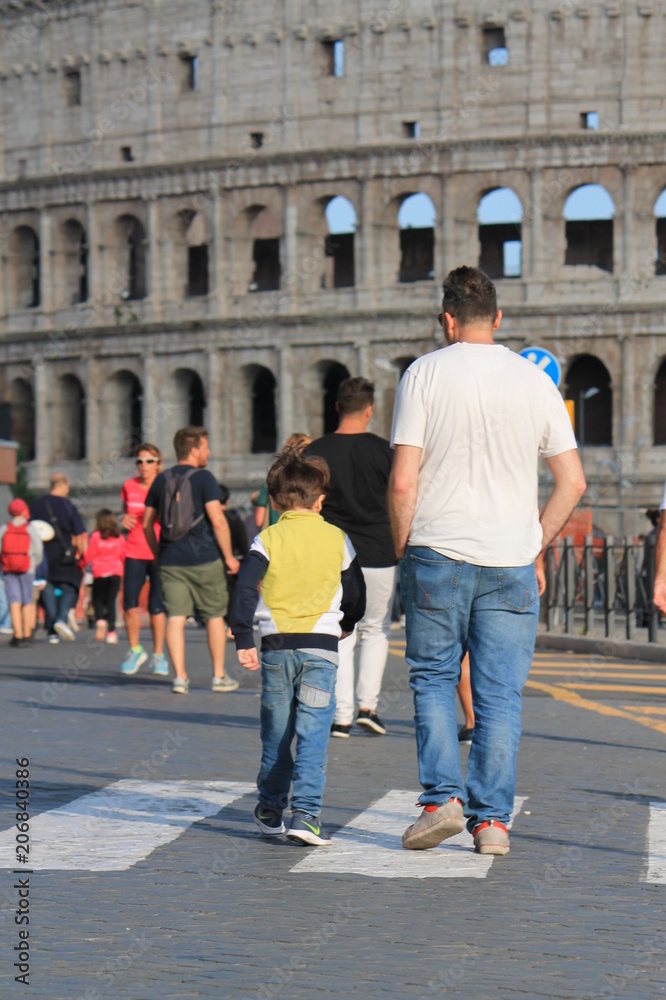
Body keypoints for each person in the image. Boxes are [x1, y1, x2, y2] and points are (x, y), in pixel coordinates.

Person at [389, 265, 586, 857]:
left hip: (437, 549)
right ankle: (493, 823)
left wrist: (403, 547)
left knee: (433, 676)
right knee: (500, 693)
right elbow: (572, 482)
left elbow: (402, 483)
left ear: (446, 320)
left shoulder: (422, 374)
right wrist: (534, 543)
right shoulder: (534, 381)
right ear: (498, 319)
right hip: (510, 558)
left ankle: (441, 800)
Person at [231, 451, 366, 845]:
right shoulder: (337, 538)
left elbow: (244, 589)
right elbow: (356, 593)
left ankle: (270, 807)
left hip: (275, 646)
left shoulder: (267, 538)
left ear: (273, 502)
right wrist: (346, 623)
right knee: (313, 733)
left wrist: (243, 637)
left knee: (276, 732)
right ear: (320, 499)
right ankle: (305, 815)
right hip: (321, 648)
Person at [307, 378, 396, 737]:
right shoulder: (385, 451)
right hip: (378, 550)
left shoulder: (315, 452)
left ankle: (340, 716)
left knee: (340, 631)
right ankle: (368, 707)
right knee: (376, 629)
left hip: (331, 554)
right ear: (370, 410)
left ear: (337, 407)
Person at [143, 426, 241, 694]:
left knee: (175, 616)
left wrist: (156, 552)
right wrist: (230, 557)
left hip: (171, 559)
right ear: (195, 450)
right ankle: (219, 676)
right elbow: (219, 521)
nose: (208, 452)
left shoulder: (160, 480)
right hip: (205, 559)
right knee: (213, 616)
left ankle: (180, 677)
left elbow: (146, 524)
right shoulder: (204, 478)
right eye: (206, 447)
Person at [120, 443, 169, 677]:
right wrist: (124, 518)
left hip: (159, 550)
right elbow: (126, 511)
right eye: (139, 461)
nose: (144, 466)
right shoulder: (129, 486)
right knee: (130, 603)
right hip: (134, 550)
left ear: (158, 463)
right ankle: (135, 650)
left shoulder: (166, 485)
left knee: (156, 606)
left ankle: (159, 655)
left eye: (149, 461)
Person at [30, 474, 87, 643]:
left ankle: (51, 631)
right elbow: (78, 533)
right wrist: (82, 554)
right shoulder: (68, 505)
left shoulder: (38, 504)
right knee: (70, 586)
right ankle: (61, 619)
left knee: (47, 587)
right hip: (64, 553)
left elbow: (31, 528)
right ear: (63, 486)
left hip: (43, 553)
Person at [0, 499, 43, 647]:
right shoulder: (29, 529)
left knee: (14, 600)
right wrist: (34, 563)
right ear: (25, 511)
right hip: (27, 567)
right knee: (27, 599)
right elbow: (38, 549)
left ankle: (17, 634)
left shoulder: (4, 528)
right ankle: (27, 633)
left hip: (8, 568)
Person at [84, 509, 127, 644]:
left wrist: (81, 564)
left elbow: (89, 554)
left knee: (97, 599)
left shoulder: (96, 536)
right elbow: (123, 555)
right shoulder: (119, 537)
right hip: (115, 572)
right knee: (111, 601)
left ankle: (100, 621)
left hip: (99, 572)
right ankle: (111, 632)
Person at [255, 433, 312, 530]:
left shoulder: (272, 478)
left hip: (276, 534)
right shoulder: (312, 479)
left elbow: (259, 519)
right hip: (304, 532)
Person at [219, 483, 250, 639]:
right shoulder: (234, 518)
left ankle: (221, 623)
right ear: (228, 501)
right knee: (233, 595)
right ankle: (231, 626)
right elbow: (243, 542)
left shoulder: (208, 519)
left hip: (215, 564)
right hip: (235, 563)